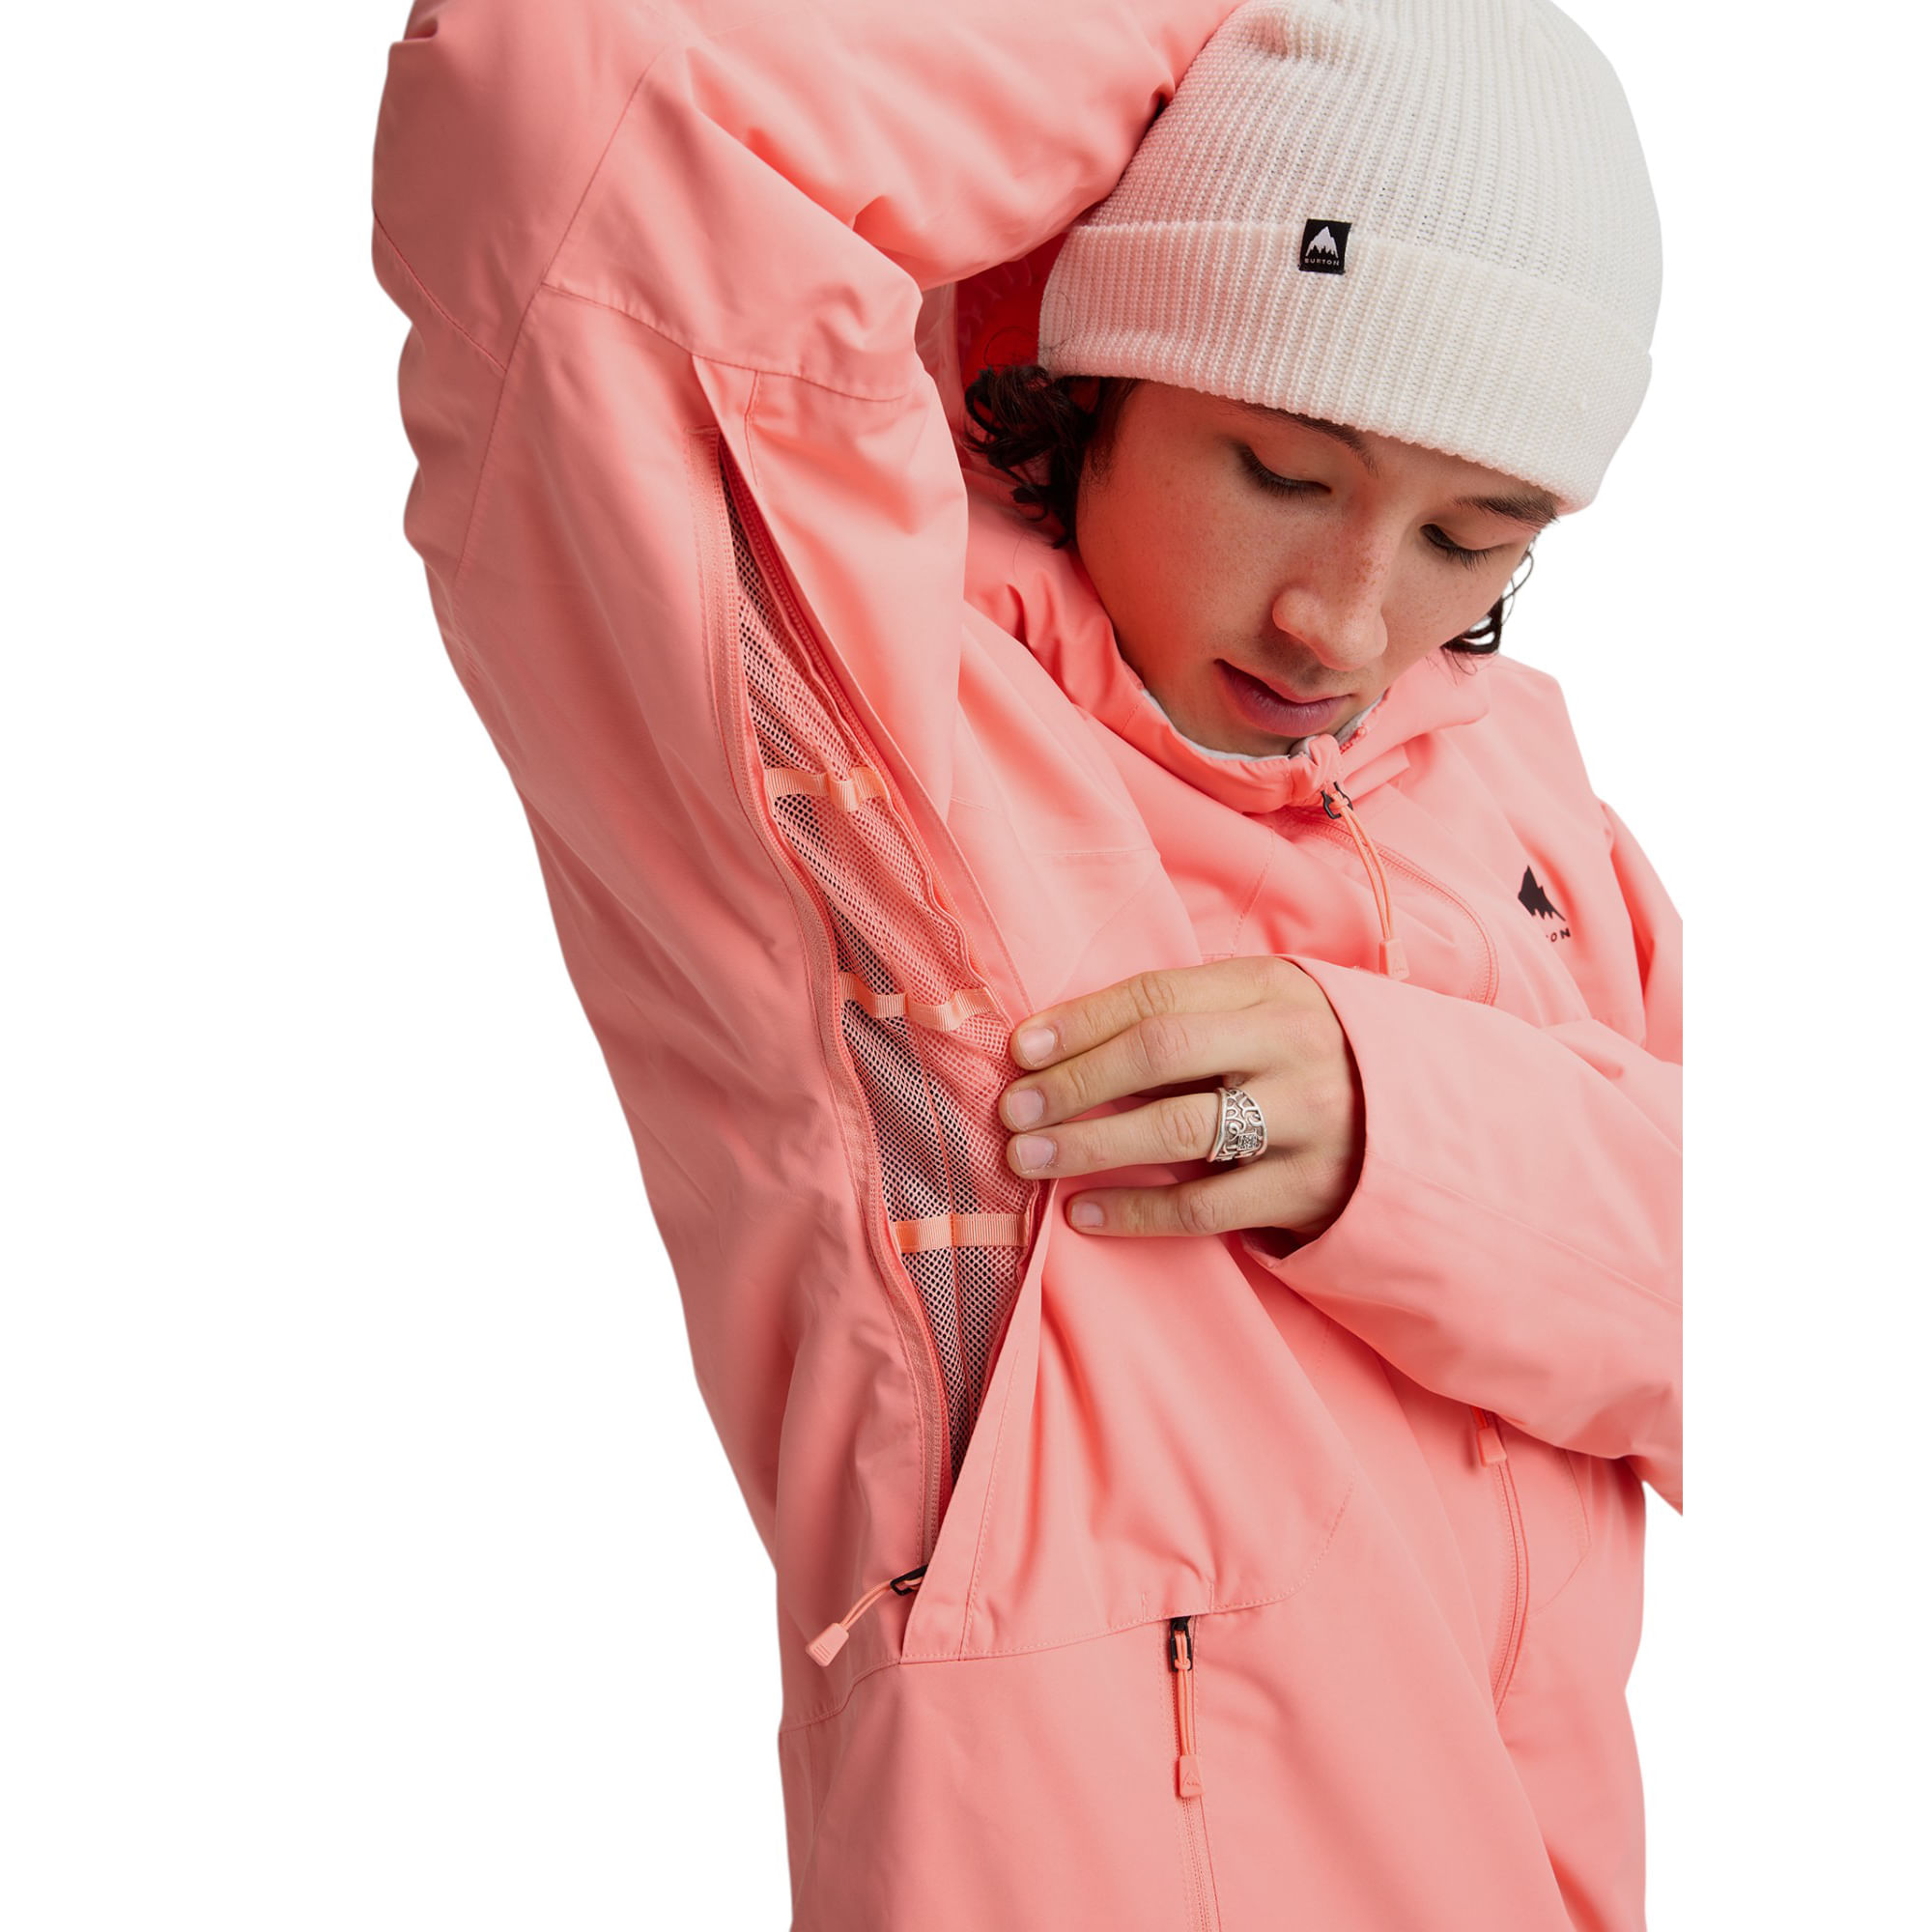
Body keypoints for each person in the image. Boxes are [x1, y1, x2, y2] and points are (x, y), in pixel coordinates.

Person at [370, 0, 1681, 1925]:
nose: (1345, 623)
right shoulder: (879, 709)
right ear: (1095, 371)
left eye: (1477, 536)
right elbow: (583, 102)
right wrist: (1218, 23)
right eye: (1280, 469)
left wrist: (1397, 1130)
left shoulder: (1524, 800)